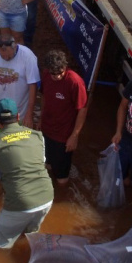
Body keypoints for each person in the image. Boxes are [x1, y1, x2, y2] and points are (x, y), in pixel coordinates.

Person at [0, 98, 54, 249]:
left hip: (20, 202)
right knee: (30, 236)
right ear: (18, 117)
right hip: (46, 198)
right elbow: (39, 164)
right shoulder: (38, 136)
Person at [38, 50, 87, 186]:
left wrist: (74, 136)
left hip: (64, 135)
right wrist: (41, 119)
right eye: (54, 74)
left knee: (62, 178)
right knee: (47, 165)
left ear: (65, 67)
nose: (58, 76)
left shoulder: (75, 82)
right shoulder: (46, 75)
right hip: (47, 129)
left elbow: (82, 110)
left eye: (60, 73)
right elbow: (44, 96)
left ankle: (62, 196)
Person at [0, 35, 39, 128]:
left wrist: (29, 114)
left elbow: (33, 85)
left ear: (15, 47)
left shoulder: (28, 57)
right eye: (2, 55)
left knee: (18, 141)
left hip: (20, 112)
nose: (6, 58)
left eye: (8, 55)